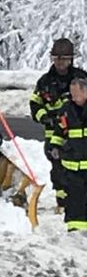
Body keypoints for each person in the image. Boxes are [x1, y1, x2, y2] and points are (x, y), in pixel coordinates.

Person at [30, 38, 87, 211]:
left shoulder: (81, 78)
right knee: (58, 170)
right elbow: (35, 104)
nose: (60, 63)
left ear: (71, 59)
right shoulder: (45, 82)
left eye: (64, 59)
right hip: (54, 134)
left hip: (79, 135)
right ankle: (62, 203)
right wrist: (45, 118)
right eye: (56, 59)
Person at [54, 77, 87, 233]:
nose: (73, 98)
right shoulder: (66, 109)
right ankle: (75, 231)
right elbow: (59, 131)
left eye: (76, 95)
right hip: (72, 166)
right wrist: (54, 146)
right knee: (74, 200)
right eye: (72, 94)